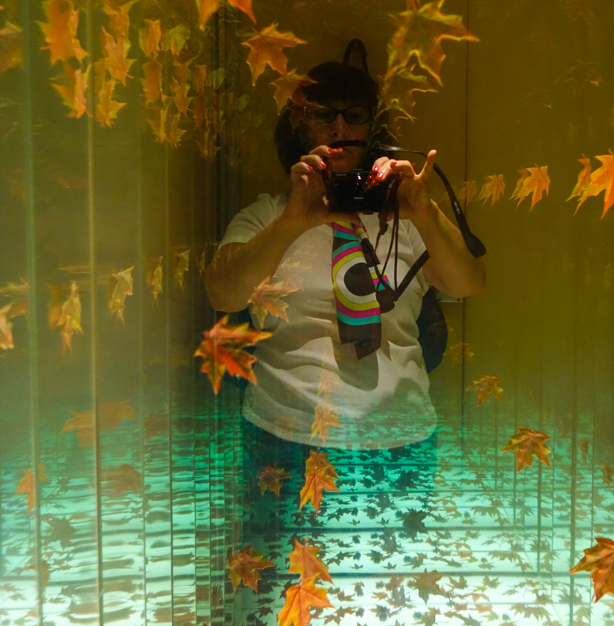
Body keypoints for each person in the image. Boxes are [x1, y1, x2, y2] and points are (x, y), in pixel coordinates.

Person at [204, 40, 485, 611]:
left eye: (353, 115)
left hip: (400, 436)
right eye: (321, 113)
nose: (338, 126)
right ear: (297, 124)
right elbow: (222, 291)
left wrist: (423, 210)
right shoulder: (266, 215)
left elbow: (467, 284)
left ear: (372, 130)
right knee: (276, 598)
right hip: (283, 436)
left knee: (393, 597)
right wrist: (291, 221)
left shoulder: (406, 214)